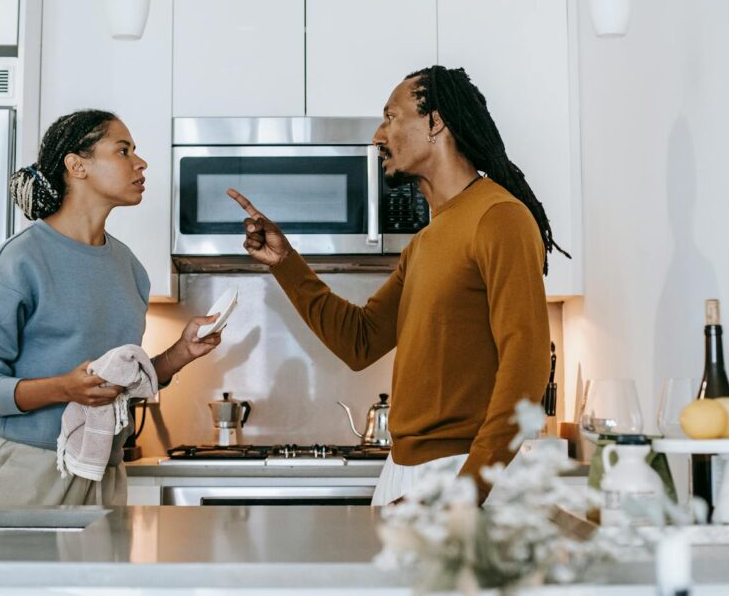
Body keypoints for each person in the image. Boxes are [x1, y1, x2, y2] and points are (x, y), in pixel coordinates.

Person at [227, 66, 566, 505]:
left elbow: (527, 366)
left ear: (435, 122)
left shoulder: (499, 217)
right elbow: (359, 341)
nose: (377, 135)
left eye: (391, 116)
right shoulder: (424, 242)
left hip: (465, 475)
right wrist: (285, 263)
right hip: (405, 472)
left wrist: (464, 491)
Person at [0, 109, 221, 506]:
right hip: (30, 469)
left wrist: (180, 354)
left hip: (105, 469)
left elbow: (121, 384)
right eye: (123, 150)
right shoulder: (18, 263)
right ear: (77, 166)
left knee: (103, 572)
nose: (140, 162)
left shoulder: (129, 267)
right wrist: (63, 388)